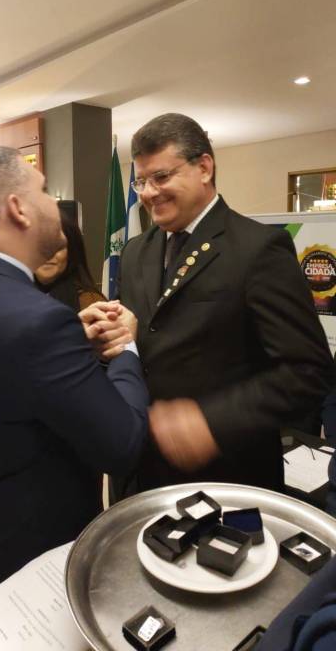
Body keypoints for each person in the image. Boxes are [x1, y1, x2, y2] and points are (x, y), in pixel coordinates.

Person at [0, 147, 148, 622]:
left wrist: (71, 345)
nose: (54, 204)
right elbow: (122, 446)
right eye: (44, 192)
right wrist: (125, 351)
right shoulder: (37, 322)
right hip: (21, 572)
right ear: (18, 208)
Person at [113, 112, 334, 499]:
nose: (148, 193)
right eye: (141, 181)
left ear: (204, 167)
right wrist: (109, 335)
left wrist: (211, 423)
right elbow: (141, 337)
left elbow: (308, 371)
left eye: (161, 177)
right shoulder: (135, 252)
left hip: (228, 474)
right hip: (143, 468)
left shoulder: (258, 248)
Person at [35, 209, 105, 311]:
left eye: (58, 246)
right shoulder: (15, 296)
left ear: (72, 251)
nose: (49, 254)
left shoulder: (91, 303)